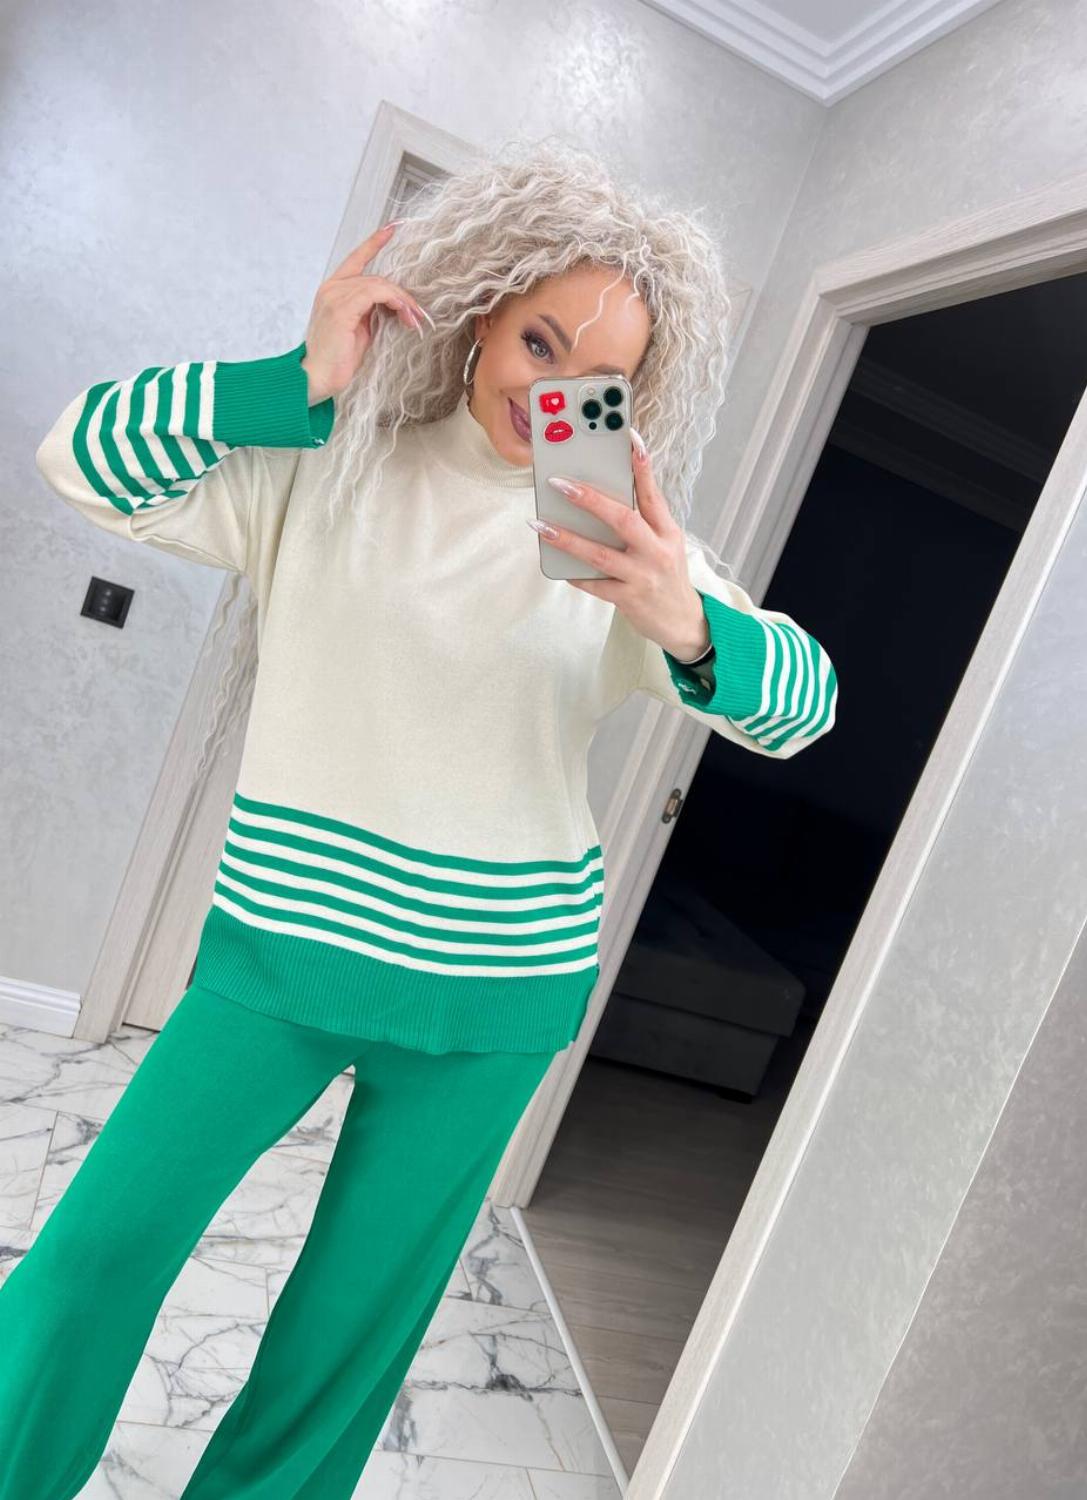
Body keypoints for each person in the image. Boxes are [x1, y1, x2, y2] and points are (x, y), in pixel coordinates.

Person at [0, 136, 838, 1499]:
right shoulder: (329, 465)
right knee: (94, 1256)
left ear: (631, 400)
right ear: (479, 322)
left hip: (495, 999)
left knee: (344, 1343)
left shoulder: (631, 551)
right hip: (278, 965)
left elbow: (806, 708)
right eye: (537, 342)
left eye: (596, 377)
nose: (551, 391)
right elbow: (82, 455)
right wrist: (293, 379)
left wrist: (686, 619)